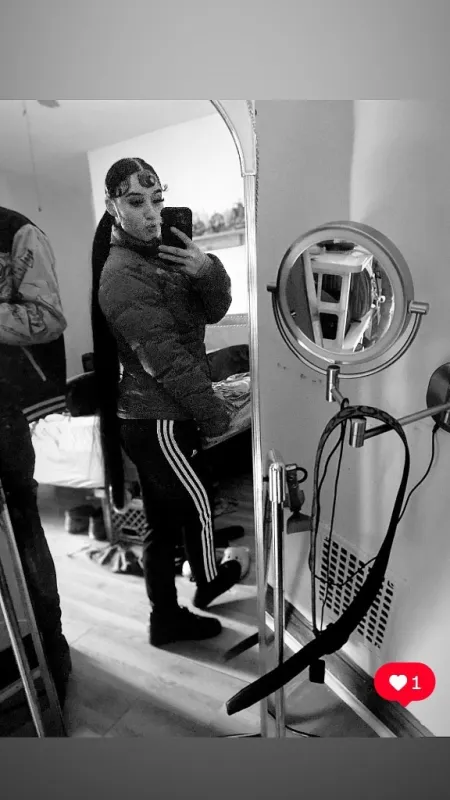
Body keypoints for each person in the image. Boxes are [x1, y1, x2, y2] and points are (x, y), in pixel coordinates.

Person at [90, 158, 249, 647]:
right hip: (154, 417)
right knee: (197, 502)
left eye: (157, 200)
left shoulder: (164, 256)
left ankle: (165, 618)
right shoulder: (121, 273)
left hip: (161, 412)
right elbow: (165, 359)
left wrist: (205, 269)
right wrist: (215, 414)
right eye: (135, 202)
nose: (151, 213)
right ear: (113, 206)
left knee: (162, 524)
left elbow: (215, 310)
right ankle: (209, 581)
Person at [0, 206, 72, 705]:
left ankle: (50, 647)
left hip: (4, 407)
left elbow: (48, 317)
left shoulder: (15, 230)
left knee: (23, 526)